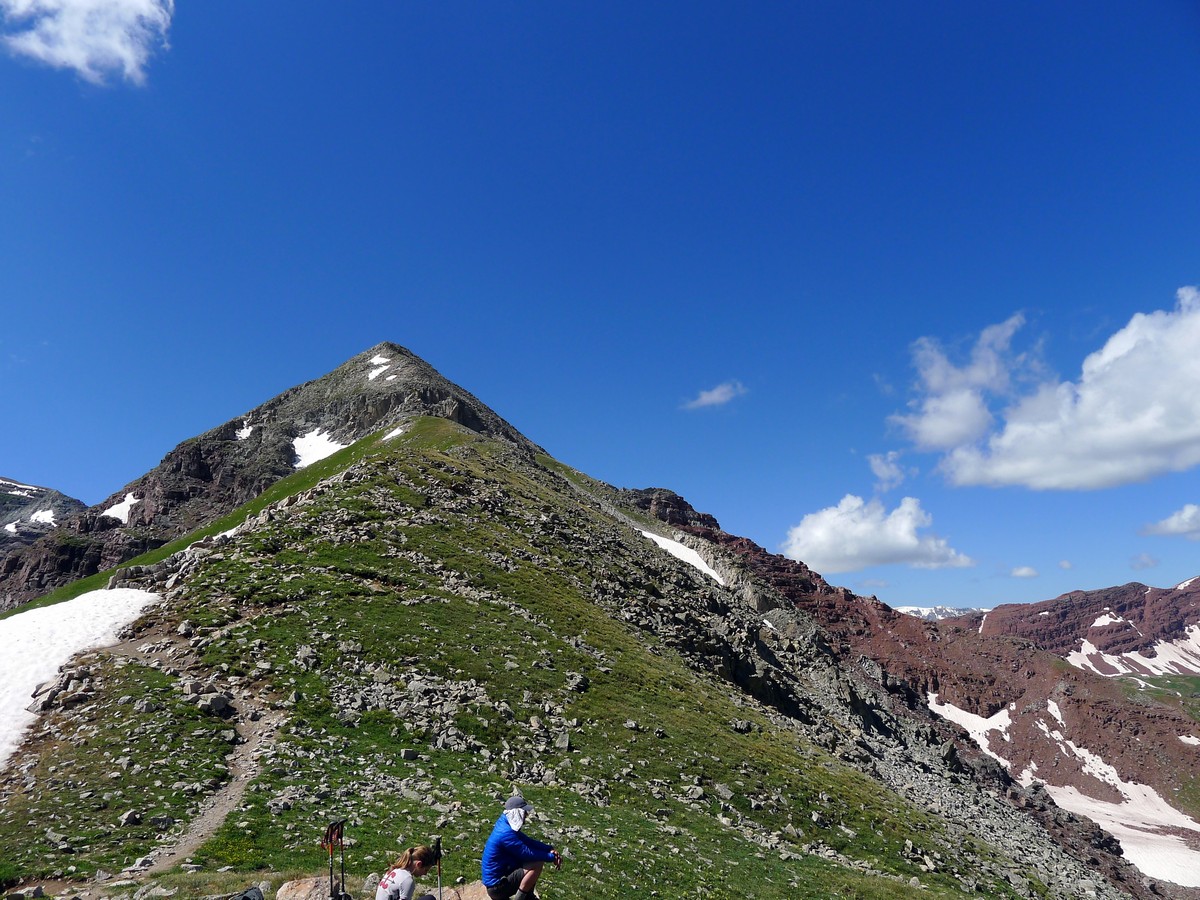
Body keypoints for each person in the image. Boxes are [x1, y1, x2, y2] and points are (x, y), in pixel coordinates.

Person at [481, 795, 562, 900]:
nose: (526, 815)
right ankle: (521, 898)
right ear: (517, 813)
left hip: (500, 879)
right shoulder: (506, 833)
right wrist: (550, 857)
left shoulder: (505, 824)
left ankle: (528, 895)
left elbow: (527, 841)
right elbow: (526, 853)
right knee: (537, 863)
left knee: (532, 861)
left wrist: (549, 848)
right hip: (497, 887)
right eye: (524, 812)